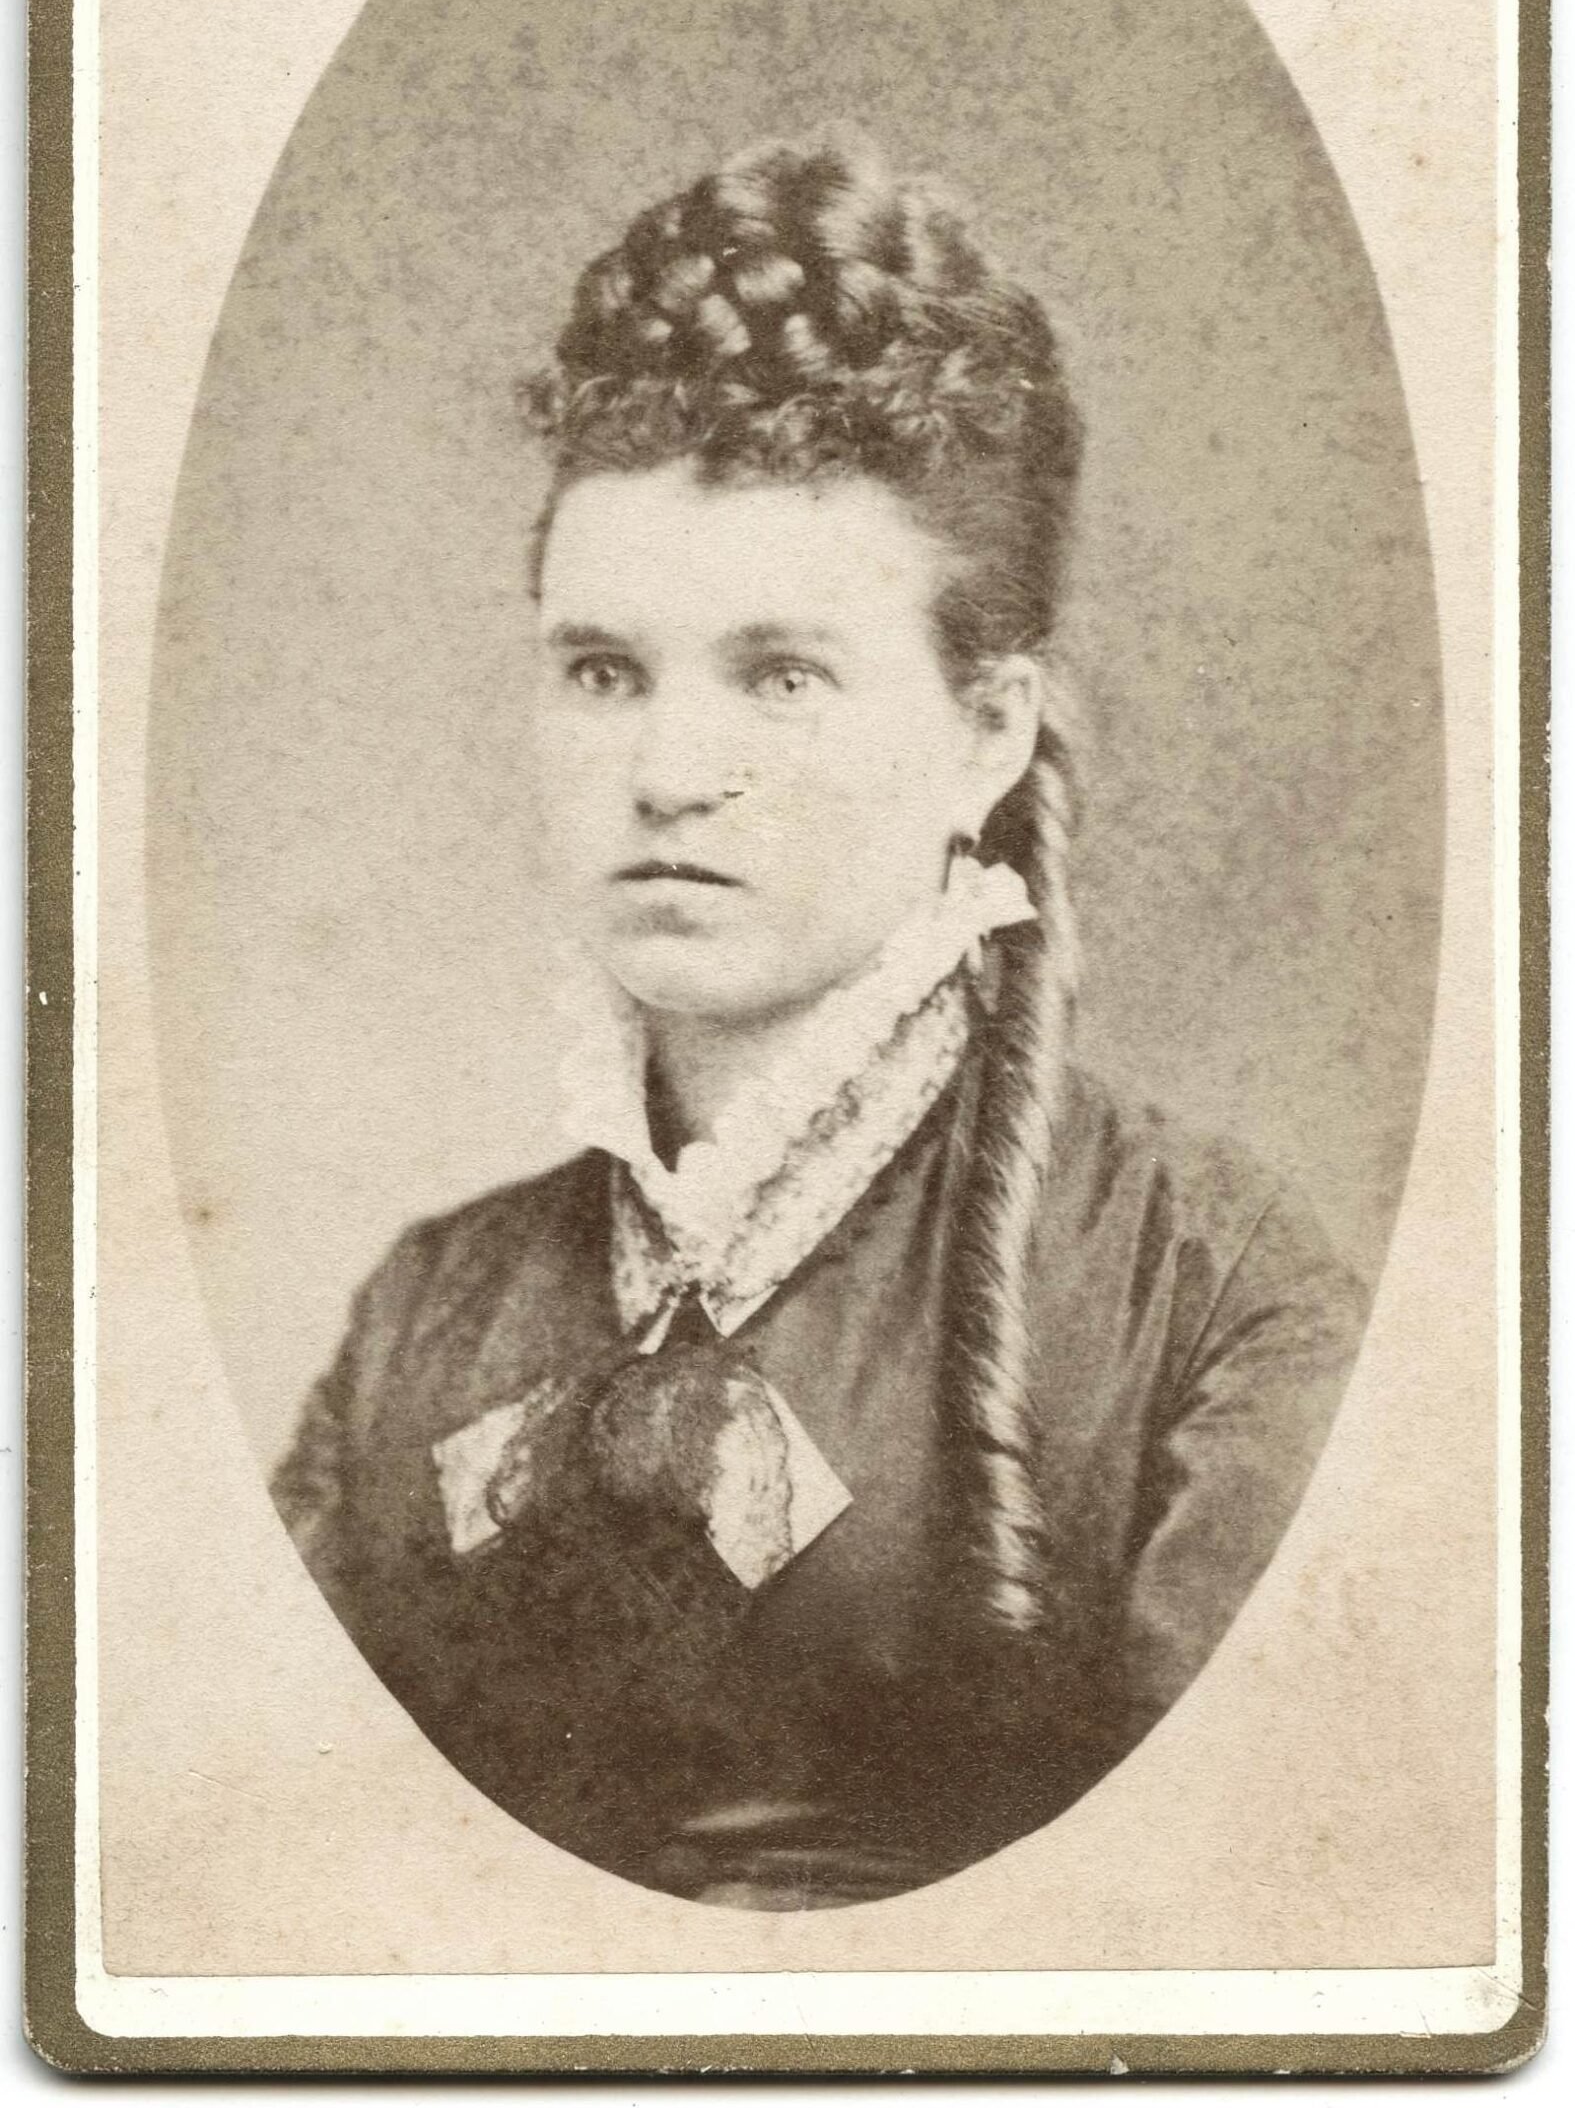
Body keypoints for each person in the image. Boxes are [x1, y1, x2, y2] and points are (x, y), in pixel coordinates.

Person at [272, 135, 1369, 1909]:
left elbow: (1247, 1923)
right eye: (602, 669)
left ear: (987, 730)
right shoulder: (421, 1321)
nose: (667, 771)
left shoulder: (1206, 1293)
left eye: (780, 675)